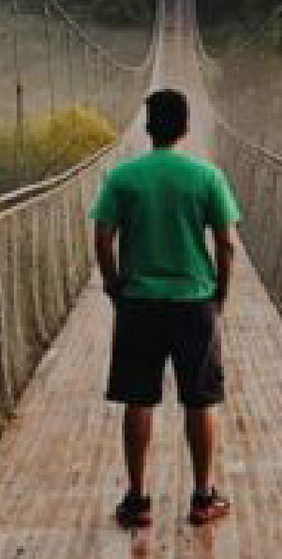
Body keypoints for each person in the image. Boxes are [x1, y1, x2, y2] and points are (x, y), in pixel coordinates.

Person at [90, 87, 242, 529]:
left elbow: (102, 239)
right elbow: (228, 243)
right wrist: (221, 292)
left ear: (148, 127)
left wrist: (114, 284)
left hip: (138, 304)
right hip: (195, 303)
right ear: (186, 127)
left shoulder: (121, 178)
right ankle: (202, 497)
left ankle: (137, 502)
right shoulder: (208, 177)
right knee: (200, 400)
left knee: (138, 400)